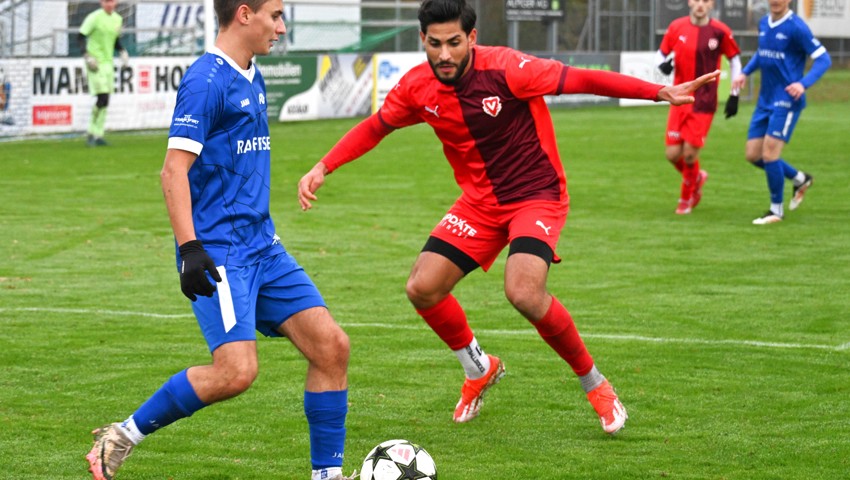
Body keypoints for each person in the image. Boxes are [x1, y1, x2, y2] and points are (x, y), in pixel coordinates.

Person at [298, 0, 718, 435]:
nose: (444, 54)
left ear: (472, 39)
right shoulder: (416, 87)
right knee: (422, 288)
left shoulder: (508, 69)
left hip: (537, 195)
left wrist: (657, 92)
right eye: (436, 43)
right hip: (480, 203)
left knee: (523, 290)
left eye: (455, 43)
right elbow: (376, 127)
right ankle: (479, 368)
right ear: (423, 39)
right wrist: (323, 166)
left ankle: (596, 384)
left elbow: (583, 79)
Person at [85, 2, 352, 480]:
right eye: (275, 15)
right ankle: (121, 436)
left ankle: (327, 476)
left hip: (263, 246)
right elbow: (173, 171)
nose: (282, 26)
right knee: (235, 372)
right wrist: (190, 249)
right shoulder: (206, 81)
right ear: (245, 14)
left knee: (331, 348)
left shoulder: (253, 73)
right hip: (219, 252)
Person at [731, 0, 831, 225]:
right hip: (764, 100)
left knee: (770, 154)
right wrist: (745, 72)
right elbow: (762, 52)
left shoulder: (797, 27)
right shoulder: (763, 22)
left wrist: (803, 84)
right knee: (752, 155)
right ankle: (800, 179)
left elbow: (824, 59)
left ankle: (776, 210)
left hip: (786, 100)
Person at [656, 0, 742, 215]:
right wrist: (663, 64)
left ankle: (685, 201)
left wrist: (734, 94)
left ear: (711, 4)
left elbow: (735, 60)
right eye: (697, 0)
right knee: (672, 154)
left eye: (706, 1)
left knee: (689, 155)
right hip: (679, 97)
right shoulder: (677, 26)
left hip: (703, 101)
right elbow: (661, 55)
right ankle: (697, 177)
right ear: (690, 2)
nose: (701, 4)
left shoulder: (720, 31)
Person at [78, 0, 129, 146]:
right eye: (106, 1)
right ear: (101, 3)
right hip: (95, 62)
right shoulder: (94, 17)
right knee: (102, 96)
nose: (109, 4)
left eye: (112, 1)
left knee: (106, 100)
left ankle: (98, 135)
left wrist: (122, 51)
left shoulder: (117, 19)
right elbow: (80, 36)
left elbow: (114, 40)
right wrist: (87, 55)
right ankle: (90, 131)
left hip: (108, 63)